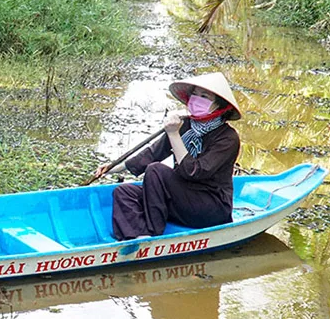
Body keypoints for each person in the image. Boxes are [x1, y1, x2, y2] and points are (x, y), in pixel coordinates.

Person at [94, 72, 242, 240]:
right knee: (124, 192)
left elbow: (193, 171)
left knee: (156, 171)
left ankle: (152, 233)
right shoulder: (185, 125)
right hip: (181, 198)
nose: (196, 99)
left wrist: (174, 135)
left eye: (204, 96)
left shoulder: (227, 138)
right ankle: (137, 237)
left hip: (210, 206)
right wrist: (113, 168)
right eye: (194, 94)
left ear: (219, 105)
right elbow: (153, 153)